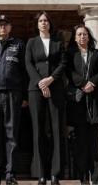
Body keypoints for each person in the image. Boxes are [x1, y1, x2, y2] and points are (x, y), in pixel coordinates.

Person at [0, 14, 26, 185]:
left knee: (12, 136)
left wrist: (24, 96)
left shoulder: (19, 45)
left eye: (5, 25)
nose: (2, 27)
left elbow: (24, 72)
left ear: (10, 28)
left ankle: (10, 174)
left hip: (12, 94)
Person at [25, 12, 66, 185]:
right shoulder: (31, 42)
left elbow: (63, 63)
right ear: (37, 24)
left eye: (46, 21)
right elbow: (28, 63)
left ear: (50, 24)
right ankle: (41, 173)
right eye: (40, 21)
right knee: (38, 130)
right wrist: (41, 83)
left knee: (56, 130)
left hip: (56, 89)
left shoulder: (58, 42)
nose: (43, 23)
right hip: (36, 90)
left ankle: (55, 173)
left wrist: (50, 80)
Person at [66, 24, 98, 185]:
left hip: (94, 104)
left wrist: (92, 83)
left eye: (85, 34)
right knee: (81, 145)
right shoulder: (70, 54)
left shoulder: (97, 54)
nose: (82, 37)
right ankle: (83, 178)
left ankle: (96, 179)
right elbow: (69, 72)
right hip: (78, 104)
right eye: (79, 35)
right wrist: (83, 83)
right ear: (75, 38)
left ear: (89, 37)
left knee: (94, 146)